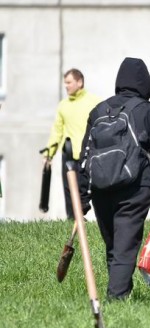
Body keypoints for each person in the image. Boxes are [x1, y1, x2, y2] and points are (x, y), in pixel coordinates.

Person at [79, 57, 150, 300]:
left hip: (101, 187)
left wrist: (82, 197)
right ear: (146, 83)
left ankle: (119, 292)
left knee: (114, 244)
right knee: (125, 244)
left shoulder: (98, 110)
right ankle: (117, 298)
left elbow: (85, 155)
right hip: (135, 187)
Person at [44, 69, 100, 219]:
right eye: (65, 83)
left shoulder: (94, 102)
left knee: (90, 192)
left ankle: (95, 222)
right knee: (69, 192)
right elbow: (57, 131)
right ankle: (72, 222)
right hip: (68, 156)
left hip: (88, 156)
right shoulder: (63, 105)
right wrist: (48, 154)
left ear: (79, 82)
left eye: (69, 82)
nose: (66, 86)